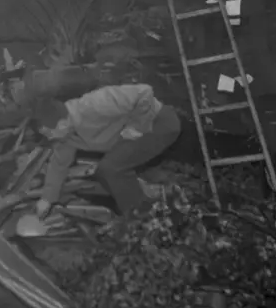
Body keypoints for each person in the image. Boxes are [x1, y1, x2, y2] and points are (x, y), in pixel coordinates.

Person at [15, 83, 181, 233]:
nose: (50, 138)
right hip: (133, 137)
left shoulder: (93, 105)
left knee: (111, 168)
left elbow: (145, 92)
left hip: (159, 124)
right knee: (103, 173)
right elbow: (58, 165)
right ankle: (141, 207)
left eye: (49, 132)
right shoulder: (65, 137)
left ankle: (142, 220)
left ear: (61, 122)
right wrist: (47, 199)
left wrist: (137, 126)